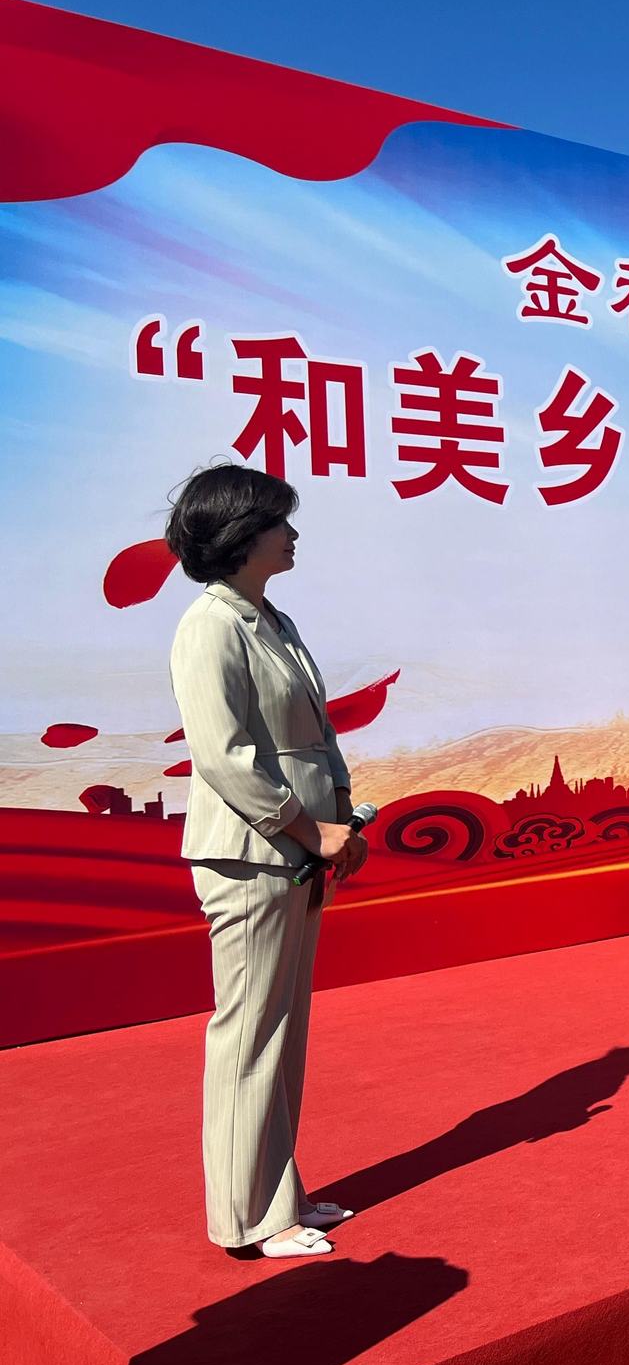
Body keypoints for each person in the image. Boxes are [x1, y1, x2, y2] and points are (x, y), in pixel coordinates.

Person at [165, 465, 366, 1259]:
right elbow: (223, 756)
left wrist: (338, 820)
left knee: (283, 1031)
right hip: (252, 855)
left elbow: (315, 736)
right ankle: (247, 1218)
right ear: (241, 535)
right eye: (280, 522)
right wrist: (310, 830)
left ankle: (280, 1193)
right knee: (250, 1033)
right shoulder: (210, 625)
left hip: (298, 850)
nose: (293, 534)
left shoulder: (271, 619)